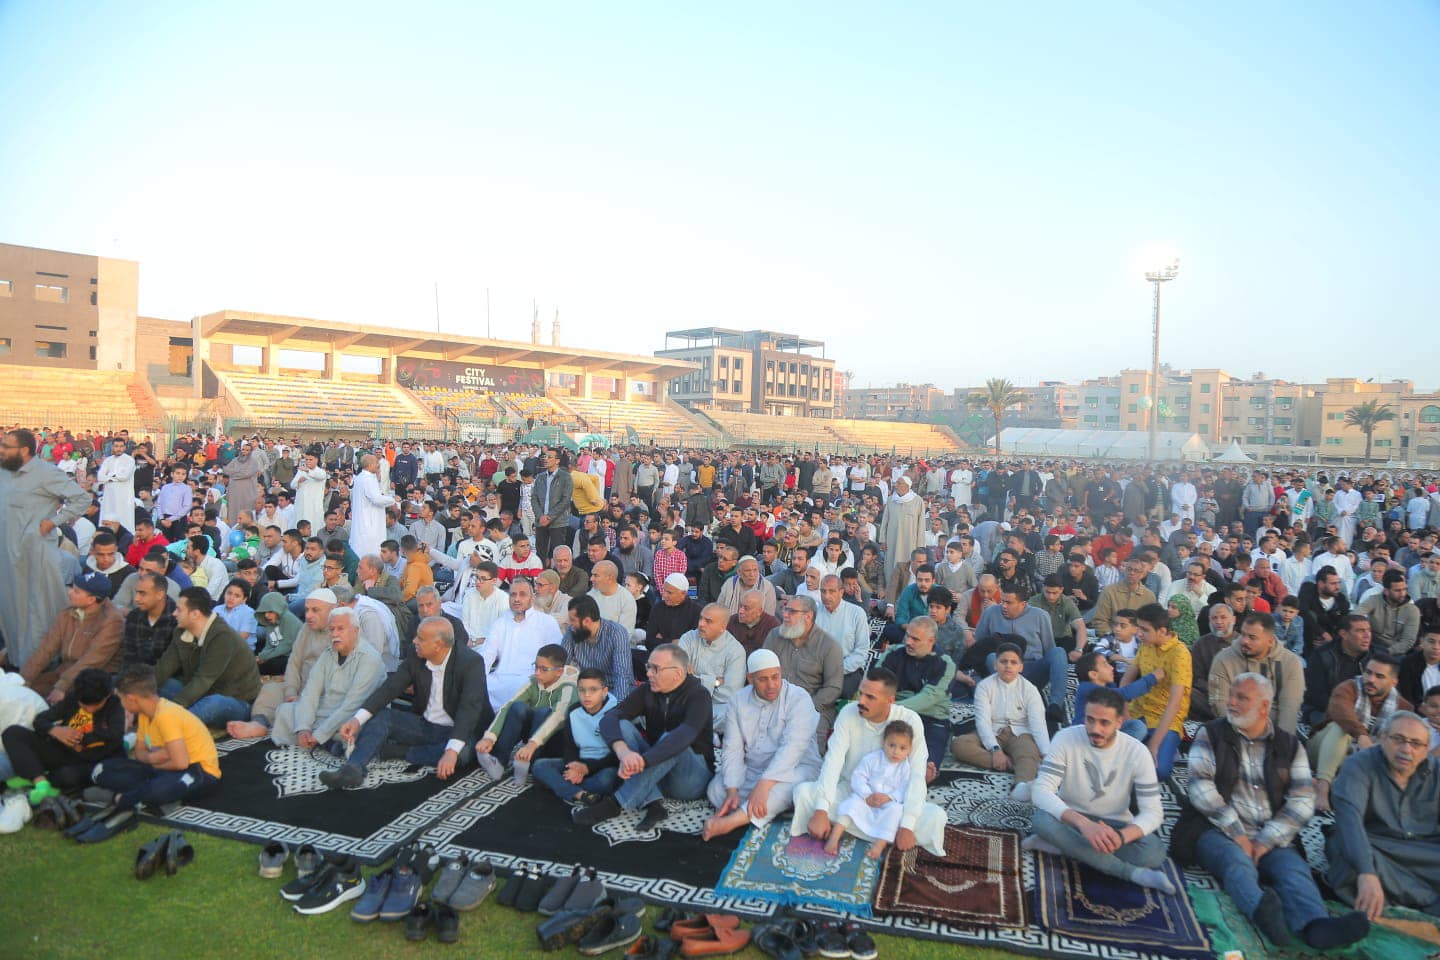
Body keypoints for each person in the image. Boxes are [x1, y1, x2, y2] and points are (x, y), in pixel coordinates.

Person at [1177, 673, 1371, 948]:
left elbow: (1302, 800)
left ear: (1264, 707)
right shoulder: (1211, 733)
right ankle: (1261, 913)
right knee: (1236, 861)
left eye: (1242, 698)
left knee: (1294, 870)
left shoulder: (1289, 745)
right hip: (1216, 830)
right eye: (1231, 695)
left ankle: (1316, 926)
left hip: (1271, 834)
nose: (1231, 702)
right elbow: (1200, 788)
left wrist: (1266, 840)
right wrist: (1238, 834)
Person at [1025, 687, 1174, 893]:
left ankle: (1063, 846)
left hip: (1115, 825)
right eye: (1090, 720)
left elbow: (1153, 812)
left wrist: (1121, 837)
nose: (1095, 729)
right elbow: (1041, 790)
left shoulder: (1138, 752)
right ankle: (1130, 873)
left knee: (1154, 852)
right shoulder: (1065, 738)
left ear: (1119, 723)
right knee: (1042, 820)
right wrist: (1085, 825)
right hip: (1073, 818)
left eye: (1104, 723)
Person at [322, 615, 492, 789]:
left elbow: (469, 710)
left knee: (462, 754)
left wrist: (451, 751)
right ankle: (353, 769)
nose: (414, 641)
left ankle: (401, 751)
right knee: (382, 717)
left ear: (438, 645)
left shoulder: (471, 662)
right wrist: (357, 720)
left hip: (461, 729)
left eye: (421, 638)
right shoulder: (416, 654)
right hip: (425, 726)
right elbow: (390, 689)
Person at [790, 668, 947, 856]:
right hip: (853, 791)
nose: (861, 701)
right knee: (803, 793)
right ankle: (884, 833)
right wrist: (821, 809)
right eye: (861, 693)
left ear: (890, 700)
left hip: (892, 801)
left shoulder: (909, 720)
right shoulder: (848, 713)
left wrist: (907, 825)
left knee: (936, 817)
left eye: (870, 697)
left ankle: (855, 826)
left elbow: (917, 775)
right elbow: (833, 762)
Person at [573, 644, 715, 830]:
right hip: (657, 772)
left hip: (690, 780)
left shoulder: (699, 695)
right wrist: (623, 752)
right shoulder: (647, 691)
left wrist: (642, 761)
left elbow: (685, 735)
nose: (648, 673)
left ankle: (615, 804)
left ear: (678, 673)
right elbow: (609, 718)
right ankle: (654, 804)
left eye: (655, 668)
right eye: (648, 667)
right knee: (622, 725)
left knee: (672, 739)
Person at [1326, 711, 1440, 918]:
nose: (1406, 749)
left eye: (1416, 743)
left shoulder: (1437, 772)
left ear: (1426, 749)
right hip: (1375, 846)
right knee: (1348, 861)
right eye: (1398, 739)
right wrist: (1366, 872)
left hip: (1422, 851)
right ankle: (1414, 909)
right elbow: (1350, 821)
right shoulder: (1358, 765)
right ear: (1382, 738)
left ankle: (1404, 906)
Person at [701, 648, 821, 841]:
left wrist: (764, 785)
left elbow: (793, 748)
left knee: (788, 788)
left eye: (775, 677)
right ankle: (767, 808)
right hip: (754, 768)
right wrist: (732, 789)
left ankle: (729, 823)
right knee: (716, 790)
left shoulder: (799, 698)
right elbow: (732, 749)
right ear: (750, 679)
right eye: (763, 679)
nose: (771, 685)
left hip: (798, 767)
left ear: (781, 673)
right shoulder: (738, 701)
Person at [0, 428, 93, 669]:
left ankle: (36, 669)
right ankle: (15, 664)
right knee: (10, 612)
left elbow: (82, 499)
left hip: (34, 552)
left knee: (37, 612)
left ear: (24, 450)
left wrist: (54, 522)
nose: (1, 450)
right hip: (5, 553)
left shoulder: (46, 473)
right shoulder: (4, 471)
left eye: (6, 446)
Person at [92, 666, 221, 811]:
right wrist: (153, 758)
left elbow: (180, 763)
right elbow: (140, 754)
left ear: (131, 699)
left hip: (198, 772)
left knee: (160, 789)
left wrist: (154, 763)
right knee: (101, 770)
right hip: (163, 768)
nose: (120, 704)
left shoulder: (166, 715)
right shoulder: (144, 714)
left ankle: (121, 799)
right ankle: (149, 798)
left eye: (120, 699)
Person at [225, 588, 337, 740]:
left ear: (333, 610)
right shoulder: (306, 628)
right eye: (307, 610)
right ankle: (259, 724)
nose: (308, 615)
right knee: (270, 690)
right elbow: (294, 662)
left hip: (323, 694)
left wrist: (306, 696)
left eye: (315, 610)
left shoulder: (340, 632)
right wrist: (291, 691)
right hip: (300, 687)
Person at [0, 668, 124, 801]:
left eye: (93, 706)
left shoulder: (115, 706)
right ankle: (40, 781)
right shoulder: (74, 697)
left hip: (89, 758)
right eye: (83, 705)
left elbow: (115, 735)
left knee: (67, 775)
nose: (87, 709)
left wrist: (81, 740)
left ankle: (33, 776)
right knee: (12, 732)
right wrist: (55, 730)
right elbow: (40, 720)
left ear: (107, 696)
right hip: (60, 749)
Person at [271, 606, 385, 750]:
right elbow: (311, 692)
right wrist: (303, 727)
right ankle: (327, 743)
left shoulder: (370, 658)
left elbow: (353, 704)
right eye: (331, 629)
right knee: (284, 710)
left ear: (355, 631)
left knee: (357, 728)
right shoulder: (328, 653)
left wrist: (320, 734)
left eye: (340, 629)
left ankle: (325, 741)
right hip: (327, 709)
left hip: (353, 714)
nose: (334, 634)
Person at [1309, 652, 1410, 812]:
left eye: (1379, 676)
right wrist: (1362, 736)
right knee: (1340, 728)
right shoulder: (1348, 687)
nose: (1371, 679)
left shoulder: (1403, 707)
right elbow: (1341, 712)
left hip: (1363, 762)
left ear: (1393, 682)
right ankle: (1322, 787)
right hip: (1323, 749)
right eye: (1368, 672)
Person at [951, 643, 1050, 800]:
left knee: (1029, 752)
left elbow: (1038, 724)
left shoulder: (1030, 690)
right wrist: (995, 750)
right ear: (995, 665)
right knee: (959, 745)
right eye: (1003, 661)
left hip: (1019, 733)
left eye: (1013, 662)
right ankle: (1016, 764)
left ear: (1021, 667)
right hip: (993, 731)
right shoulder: (984, 686)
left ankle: (1020, 786)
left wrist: (1046, 754)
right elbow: (983, 721)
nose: (1008, 666)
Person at [153, 587, 263, 726]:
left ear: (195, 614)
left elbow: (204, 679)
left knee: (212, 704)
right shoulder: (181, 632)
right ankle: (174, 719)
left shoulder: (222, 637)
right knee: (157, 685)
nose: (174, 613)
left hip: (235, 701)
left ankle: (172, 724)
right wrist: (137, 695)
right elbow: (164, 667)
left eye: (179, 610)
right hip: (200, 693)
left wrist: (175, 708)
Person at [10, 571, 123, 703]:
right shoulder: (68, 613)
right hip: (64, 671)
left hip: (93, 681)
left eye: (76, 591)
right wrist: (23, 679)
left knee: (44, 703)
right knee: (19, 694)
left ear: (91, 600)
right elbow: (45, 649)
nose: (69, 592)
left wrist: (62, 686)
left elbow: (93, 660)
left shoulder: (112, 621)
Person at [475, 643, 578, 784]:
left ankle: (527, 762)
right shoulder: (534, 682)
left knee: (544, 712)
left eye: (543, 669)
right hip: (532, 736)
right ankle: (499, 761)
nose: (537, 673)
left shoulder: (569, 688)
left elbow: (558, 717)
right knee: (517, 707)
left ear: (559, 672)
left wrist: (532, 744)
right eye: (536, 667)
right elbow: (508, 706)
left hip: (553, 741)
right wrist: (489, 737)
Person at [1121, 603, 1191, 779]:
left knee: (1158, 770)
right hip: (1138, 711)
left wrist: (1154, 744)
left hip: (1165, 717)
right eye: (1138, 628)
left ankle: (1164, 744)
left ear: (1162, 631)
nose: (1138, 634)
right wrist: (1126, 715)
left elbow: (1175, 704)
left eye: (1144, 629)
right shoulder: (1146, 645)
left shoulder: (1180, 653)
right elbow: (1125, 682)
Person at [878, 616, 954, 778]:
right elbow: (878, 684)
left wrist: (893, 707)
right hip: (895, 715)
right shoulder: (893, 653)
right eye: (907, 635)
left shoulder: (945, 663)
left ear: (931, 641)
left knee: (926, 765)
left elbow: (929, 698)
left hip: (931, 718)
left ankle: (926, 770)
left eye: (915, 639)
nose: (908, 642)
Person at [830, 720, 917, 859]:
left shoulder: (905, 768)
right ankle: (834, 838)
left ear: (909, 750)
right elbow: (858, 776)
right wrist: (867, 795)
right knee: (852, 803)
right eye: (892, 745)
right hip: (867, 798)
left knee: (896, 810)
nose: (896, 751)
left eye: (902, 748)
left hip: (888, 802)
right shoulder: (872, 759)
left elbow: (905, 788)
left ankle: (879, 846)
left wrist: (890, 797)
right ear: (884, 743)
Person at [531, 668, 620, 803]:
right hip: (579, 762)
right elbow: (569, 746)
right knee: (539, 766)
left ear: (604, 691)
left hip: (603, 766)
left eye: (593, 690)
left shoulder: (616, 712)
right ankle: (580, 793)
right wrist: (573, 764)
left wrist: (587, 769)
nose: (587, 695)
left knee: (606, 780)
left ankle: (561, 785)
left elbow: (616, 756)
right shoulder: (574, 711)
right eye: (582, 690)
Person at [1207, 612, 1306, 735]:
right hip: (1234, 729)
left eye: (1252, 637)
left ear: (1270, 641)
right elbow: (1220, 705)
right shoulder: (1222, 660)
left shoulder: (1291, 662)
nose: (1244, 641)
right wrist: (1242, 737)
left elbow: (1290, 708)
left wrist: (1282, 742)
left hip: (1275, 730)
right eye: (1243, 634)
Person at [763, 595, 844, 743]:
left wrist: (804, 708)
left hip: (813, 707)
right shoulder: (775, 635)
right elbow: (762, 670)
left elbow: (833, 688)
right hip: (773, 702)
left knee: (808, 746)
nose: (785, 615)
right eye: (785, 609)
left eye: (792, 612)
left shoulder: (829, 646)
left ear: (808, 616)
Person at [974, 585, 1069, 707]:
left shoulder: (1040, 616)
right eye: (1002, 601)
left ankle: (1056, 704)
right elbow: (978, 646)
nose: (1003, 606)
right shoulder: (990, 613)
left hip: (1031, 669)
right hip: (1003, 669)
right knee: (991, 656)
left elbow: (1049, 648)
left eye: (1008, 603)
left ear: (1023, 604)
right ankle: (1010, 700)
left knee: (1058, 652)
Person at [480, 578, 564, 711]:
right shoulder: (500, 623)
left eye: (522, 594)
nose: (517, 599)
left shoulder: (546, 622)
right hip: (500, 679)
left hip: (533, 679)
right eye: (513, 595)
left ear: (532, 598)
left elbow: (557, 656)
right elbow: (486, 656)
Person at [676, 603, 747, 724]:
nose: (701, 624)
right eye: (701, 618)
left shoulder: (736, 651)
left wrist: (693, 679)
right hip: (685, 700)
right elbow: (677, 677)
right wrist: (714, 682)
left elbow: (729, 693)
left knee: (732, 714)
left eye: (708, 621)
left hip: (715, 706)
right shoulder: (688, 638)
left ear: (722, 627)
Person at [1071, 650, 1157, 742]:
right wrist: (1151, 679)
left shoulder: (1109, 686)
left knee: (1136, 725)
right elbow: (1124, 693)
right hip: (1085, 736)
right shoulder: (1087, 688)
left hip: (1105, 730)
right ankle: (1115, 750)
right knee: (1137, 727)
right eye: (1105, 664)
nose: (1111, 668)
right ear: (1093, 674)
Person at [562, 594, 635, 693]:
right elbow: (561, 663)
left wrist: (618, 703)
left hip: (612, 690)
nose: (569, 623)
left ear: (586, 621)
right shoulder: (572, 631)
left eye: (572, 620)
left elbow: (622, 676)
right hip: (586, 689)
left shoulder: (617, 633)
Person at [120, 572, 179, 671]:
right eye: (137, 592)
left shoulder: (177, 620)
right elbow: (128, 656)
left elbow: (172, 664)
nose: (136, 599)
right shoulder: (134, 616)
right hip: (135, 674)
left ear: (160, 594)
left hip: (164, 675)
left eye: (142, 593)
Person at [1090, 558, 1157, 636]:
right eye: (1129, 569)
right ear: (1124, 571)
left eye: (1136, 571)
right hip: (1112, 637)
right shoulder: (1109, 591)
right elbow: (1100, 620)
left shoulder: (1149, 596)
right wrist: (1113, 637)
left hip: (1138, 639)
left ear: (1142, 574)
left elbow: (1150, 624)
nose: (1132, 573)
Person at [348, 454, 396, 559]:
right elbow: (376, 498)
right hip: (369, 522)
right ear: (369, 465)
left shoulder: (361, 477)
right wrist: (392, 500)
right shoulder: (368, 479)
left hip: (363, 520)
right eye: (376, 463)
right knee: (371, 552)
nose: (378, 465)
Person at [532, 448, 574, 566]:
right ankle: (540, 574)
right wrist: (540, 516)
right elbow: (534, 498)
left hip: (558, 522)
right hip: (541, 521)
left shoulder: (565, 477)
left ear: (557, 460)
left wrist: (549, 517)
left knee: (558, 553)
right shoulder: (540, 477)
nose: (546, 459)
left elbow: (565, 500)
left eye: (550, 457)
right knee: (540, 552)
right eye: (545, 456)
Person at [878, 476, 925, 582]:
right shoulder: (891, 500)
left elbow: (921, 524)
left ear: (907, 486)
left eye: (899, 483)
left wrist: (920, 545)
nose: (896, 485)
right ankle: (891, 588)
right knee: (891, 565)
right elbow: (885, 521)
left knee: (908, 566)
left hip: (910, 541)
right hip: (892, 540)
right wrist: (883, 540)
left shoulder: (917, 500)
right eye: (896, 483)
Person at [727, 589, 781, 656]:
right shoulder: (732, 621)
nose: (740, 611)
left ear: (759, 611)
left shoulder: (772, 625)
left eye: (746, 608)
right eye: (740, 606)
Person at [222, 439, 263, 525]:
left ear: (251, 451)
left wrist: (234, 473)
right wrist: (239, 472)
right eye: (243, 449)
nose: (244, 452)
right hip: (234, 493)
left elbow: (247, 473)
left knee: (246, 513)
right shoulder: (235, 460)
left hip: (247, 494)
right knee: (233, 514)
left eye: (247, 450)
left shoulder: (253, 462)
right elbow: (226, 470)